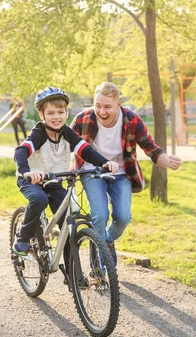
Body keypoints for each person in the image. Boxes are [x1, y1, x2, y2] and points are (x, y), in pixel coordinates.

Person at [71, 82, 182, 265]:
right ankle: (99, 268)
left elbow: (151, 149)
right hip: (91, 170)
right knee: (99, 215)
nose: (102, 112)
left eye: (107, 107)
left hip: (121, 172)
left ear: (118, 104)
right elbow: (64, 144)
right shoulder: (83, 119)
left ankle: (106, 241)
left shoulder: (131, 120)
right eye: (97, 106)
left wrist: (166, 160)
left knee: (122, 217)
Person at [12, 87, 119, 255]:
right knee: (39, 199)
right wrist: (26, 172)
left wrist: (104, 163)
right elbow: (21, 151)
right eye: (51, 113)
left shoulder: (67, 133)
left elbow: (85, 150)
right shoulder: (38, 133)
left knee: (68, 228)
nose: (56, 117)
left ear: (66, 113)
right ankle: (23, 237)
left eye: (60, 112)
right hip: (31, 180)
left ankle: (73, 277)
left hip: (54, 182)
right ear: (42, 116)